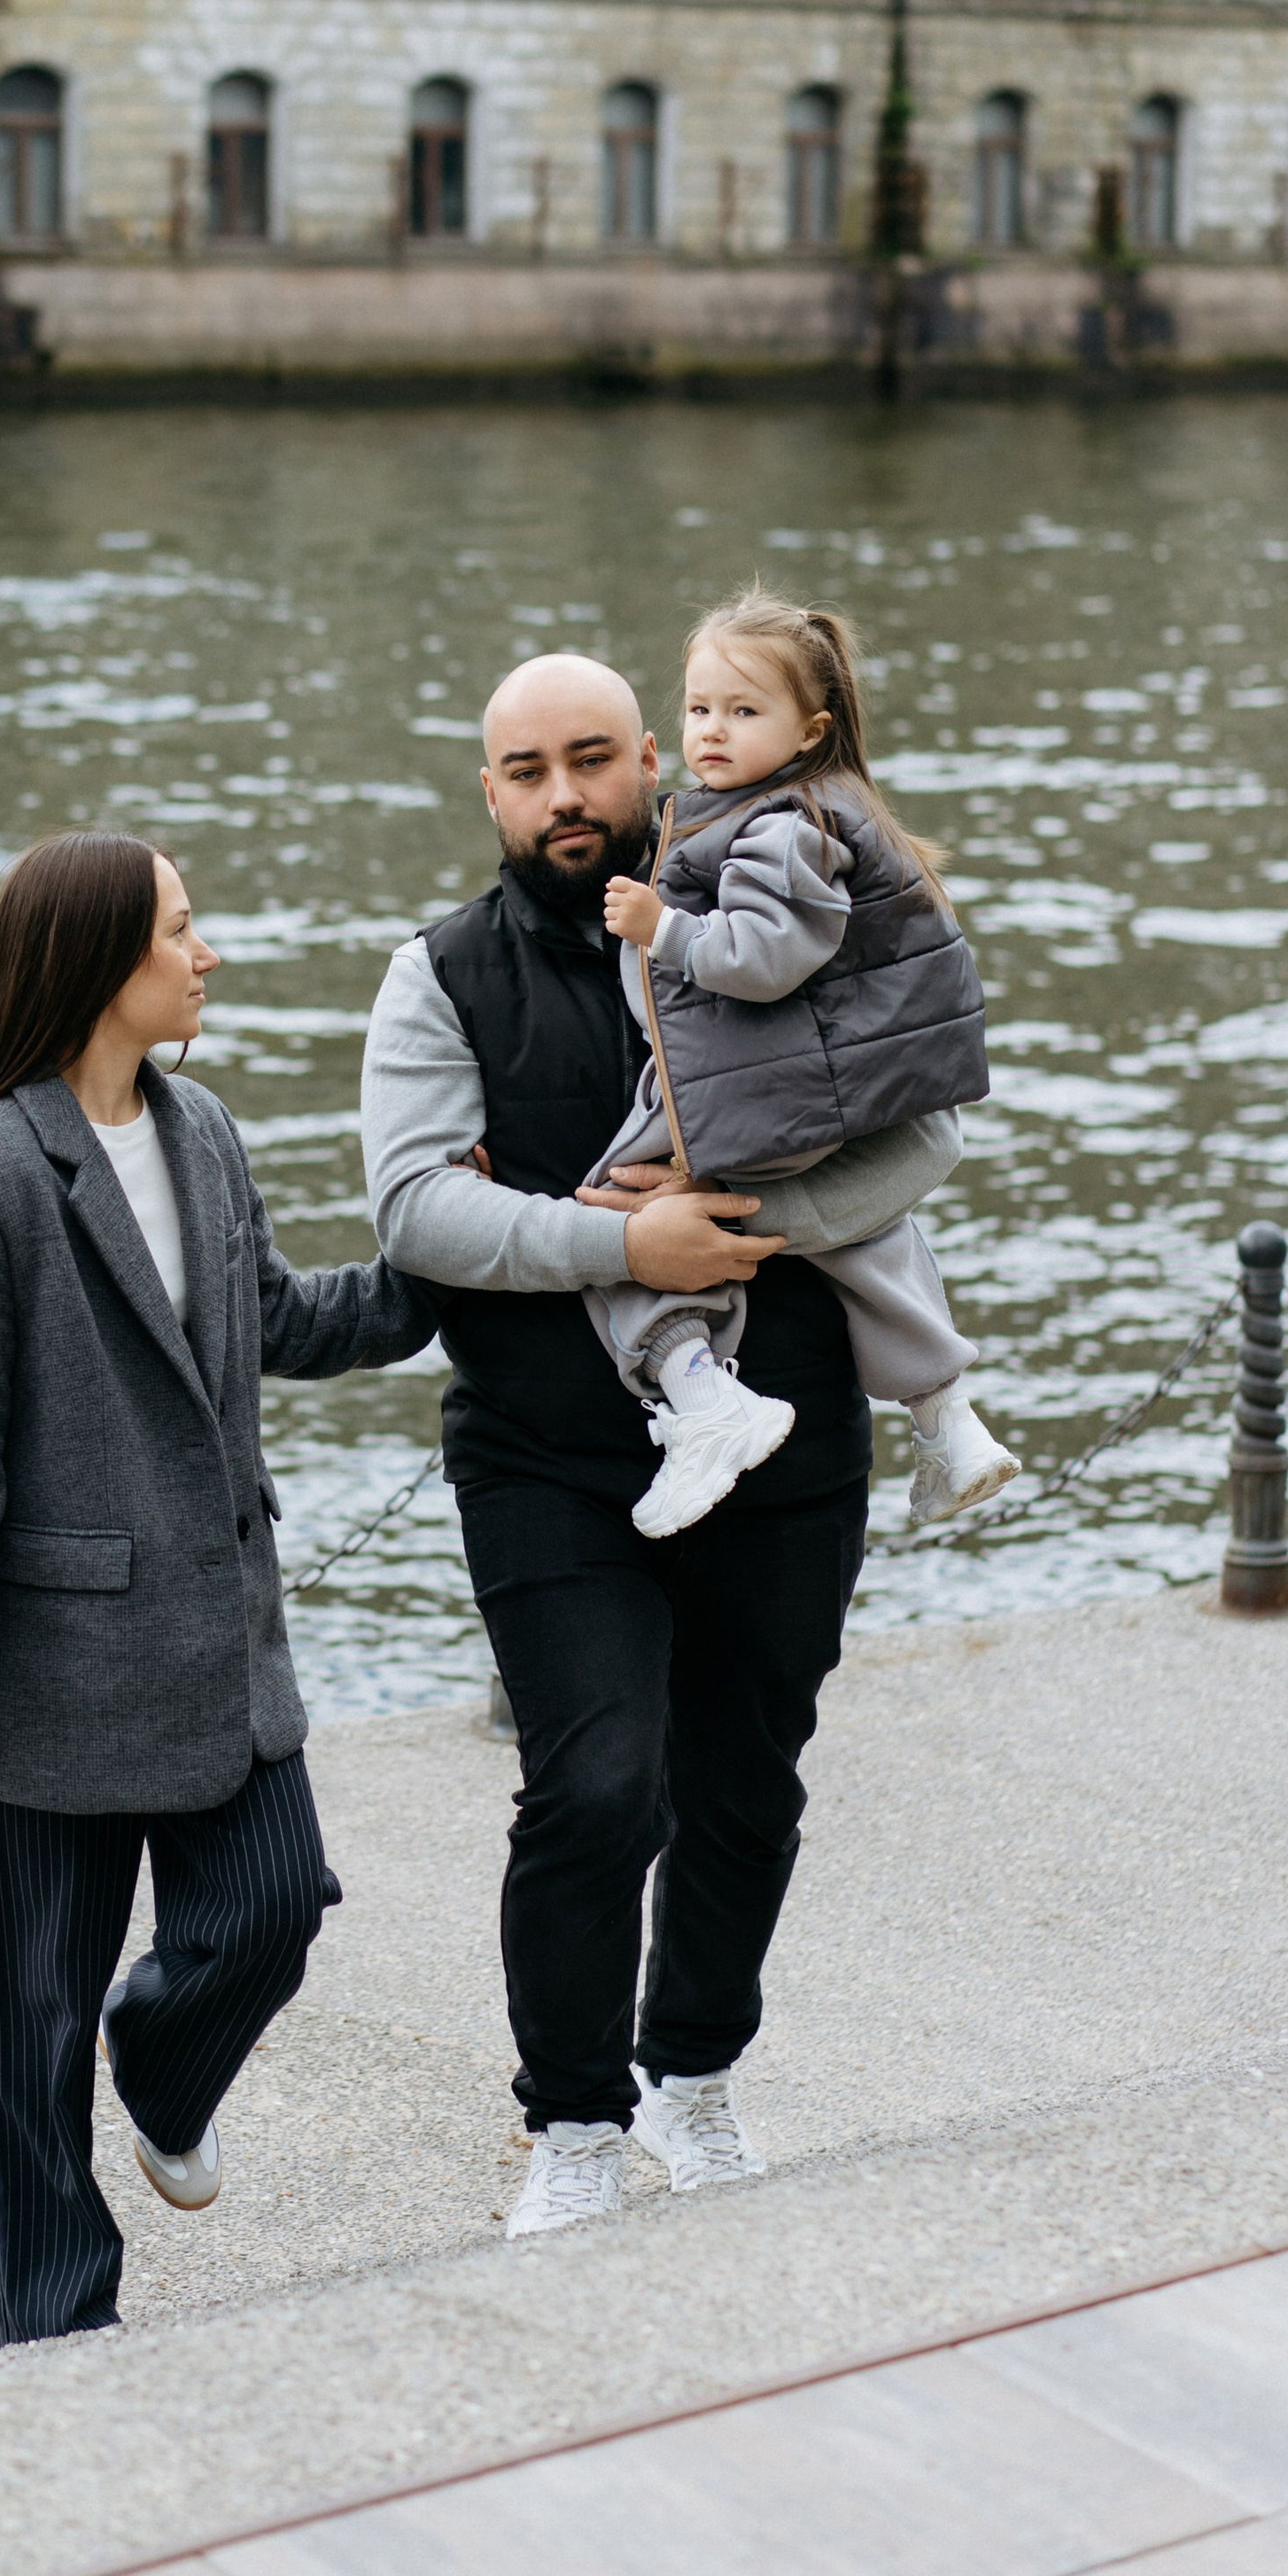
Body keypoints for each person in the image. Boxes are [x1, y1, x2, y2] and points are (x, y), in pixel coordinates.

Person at [361, 652, 960, 2240]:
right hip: (548, 1456)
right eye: (527, 772)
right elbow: (419, 1211)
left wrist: (740, 1230)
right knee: (596, 1787)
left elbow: (927, 1122)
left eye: (593, 760)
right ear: (487, 794)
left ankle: (694, 2075)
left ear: (650, 762)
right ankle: (572, 2120)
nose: (567, 798)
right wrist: (629, 1250)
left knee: (747, 1784)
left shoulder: (799, 886)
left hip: (792, 1432)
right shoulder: (442, 975)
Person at [0, 827, 432, 2346]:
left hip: (219, 1652)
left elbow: (278, 1319)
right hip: (43, 1683)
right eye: (181, 927)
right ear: (105, 962)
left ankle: (162, 2070)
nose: (207, 951)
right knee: (19, 2042)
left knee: (272, 1906)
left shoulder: (206, 1131)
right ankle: (57, 2340)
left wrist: (442, 1271)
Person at [588, 585, 1016, 1539]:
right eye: (699, 708)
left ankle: (701, 1399)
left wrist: (664, 928)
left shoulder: (778, 825)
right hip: (809, 1093)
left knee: (616, 1217)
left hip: (755, 1091)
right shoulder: (808, 808)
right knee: (866, 1236)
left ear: (809, 730)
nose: (712, 731)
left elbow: (762, 958)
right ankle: (947, 1415)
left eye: (745, 712)